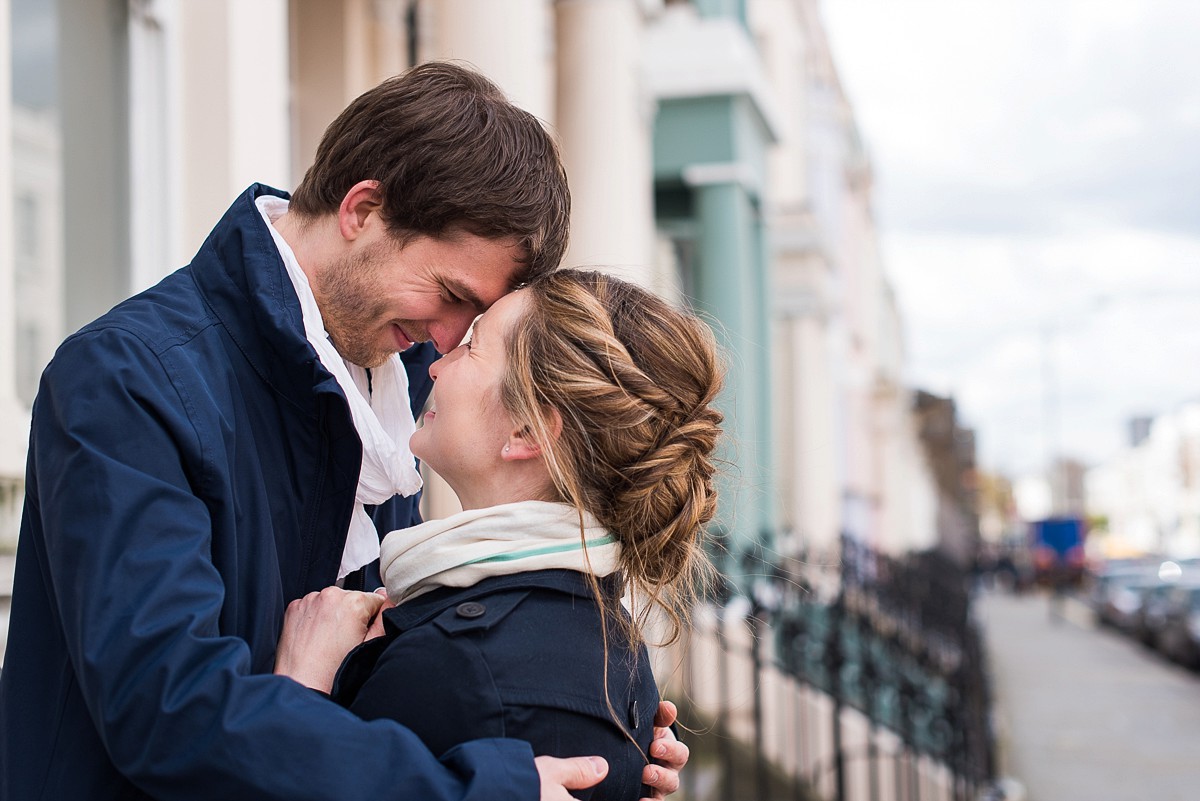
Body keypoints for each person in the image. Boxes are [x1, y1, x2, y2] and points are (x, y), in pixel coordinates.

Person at [0, 62, 685, 800]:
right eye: (451, 295)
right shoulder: (127, 377)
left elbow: (385, 689)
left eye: (476, 317)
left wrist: (582, 727)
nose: (451, 339)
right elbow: (167, 709)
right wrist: (481, 789)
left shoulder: (396, 382)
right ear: (361, 209)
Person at [274, 269, 723, 801]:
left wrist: (299, 693)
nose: (437, 364)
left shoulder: (458, 667)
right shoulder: (604, 638)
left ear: (527, 432)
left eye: (473, 347)